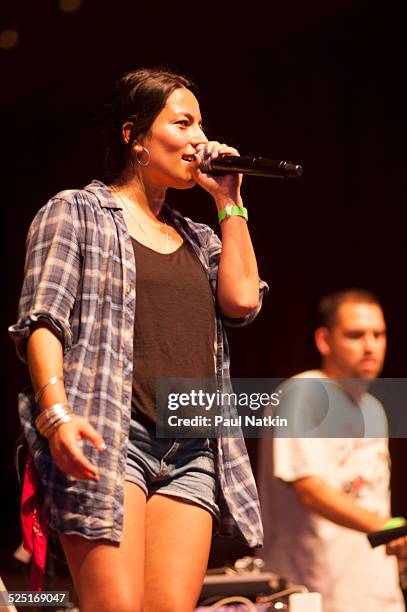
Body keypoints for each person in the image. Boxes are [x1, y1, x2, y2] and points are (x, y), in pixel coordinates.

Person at [9, 67, 268, 612]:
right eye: (183, 122)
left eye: (202, 124)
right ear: (134, 135)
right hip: (111, 433)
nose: (200, 138)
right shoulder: (75, 211)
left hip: (193, 448)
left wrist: (229, 201)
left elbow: (244, 301)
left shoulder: (199, 239)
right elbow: (42, 321)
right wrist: (54, 415)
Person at [258, 289, 405, 611]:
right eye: (355, 335)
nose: (370, 346)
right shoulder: (304, 393)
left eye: (378, 334)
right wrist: (387, 527)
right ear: (325, 341)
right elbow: (309, 490)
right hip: (316, 588)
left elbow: (371, 499)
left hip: (377, 593)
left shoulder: (374, 409)